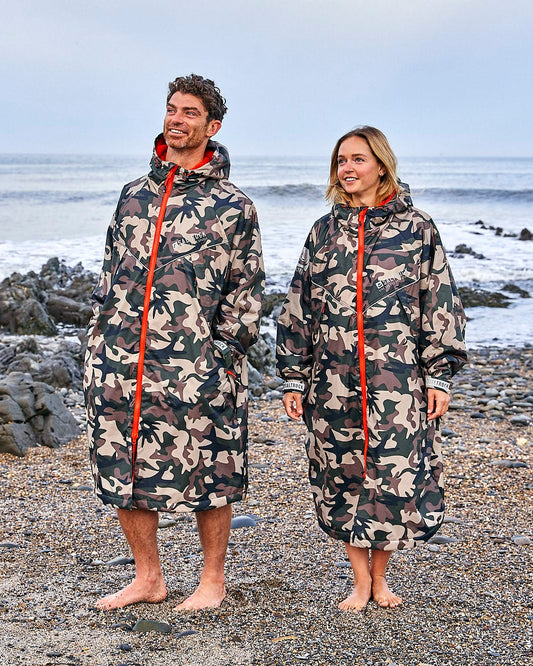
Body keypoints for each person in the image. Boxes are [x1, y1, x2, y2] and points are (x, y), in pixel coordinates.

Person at [84, 74, 264, 611]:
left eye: (189, 112)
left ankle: (212, 581)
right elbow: (109, 273)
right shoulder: (133, 195)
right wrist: (98, 341)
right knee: (125, 469)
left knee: (214, 467)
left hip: (197, 366)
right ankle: (149, 578)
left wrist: (223, 358)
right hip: (123, 361)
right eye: (171, 109)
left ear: (213, 125)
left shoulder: (234, 205)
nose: (176, 119)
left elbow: (247, 292)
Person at [276, 126, 466, 611]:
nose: (348, 168)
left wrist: (439, 375)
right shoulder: (323, 231)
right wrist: (294, 377)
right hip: (333, 381)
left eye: (358, 159)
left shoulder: (417, 228)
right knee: (341, 475)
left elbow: (439, 302)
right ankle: (359, 581)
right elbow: (299, 305)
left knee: (392, 476)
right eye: (341, 160)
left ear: (381, 164)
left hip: (397, 380)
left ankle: (381, 580)